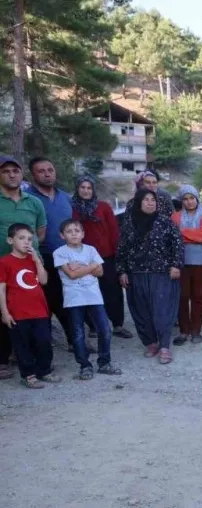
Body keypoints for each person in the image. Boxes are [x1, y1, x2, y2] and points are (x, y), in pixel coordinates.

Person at [117, 189, 183, 364]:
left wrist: (176, 265)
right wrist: (122, 271)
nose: (150, 202)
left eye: (152, 200)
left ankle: (164, 346)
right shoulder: (128, 223)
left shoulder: (165, 222)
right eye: (146, 200)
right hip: (136, 273)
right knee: (141, 311)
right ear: (139, 202)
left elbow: (177, 245)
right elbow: (122, 249)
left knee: (162, 311)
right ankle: (151, 342)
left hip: (161, 273)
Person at [53, 219, 122, 379]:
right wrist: (91, 266)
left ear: (83, 234)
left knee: (105, 329)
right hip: (74, 298)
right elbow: (72, 274)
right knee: (78, 333)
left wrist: (82, 266)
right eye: (69, 231)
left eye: (77, 230)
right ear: (62, 235)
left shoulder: (91, 250)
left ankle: (104, 362)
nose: (74, 234)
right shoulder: (60, 252)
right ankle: (84, 365)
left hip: (94, 296)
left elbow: (100, 272)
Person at [0, 156, 47, 380]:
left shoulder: (34, 202)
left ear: (21, 174)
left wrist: (29, 253)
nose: (11, 174)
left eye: (15, 171)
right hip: (3, 266)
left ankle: (38, 363)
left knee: (31, 311)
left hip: (28, 268)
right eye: (6, 171)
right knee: (3, 313)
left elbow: (41, 232)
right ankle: (3, 360)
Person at [71, 175, 132, 339]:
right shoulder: (72, 209)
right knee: (88, 293)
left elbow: (113, 231)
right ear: (77, 189)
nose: (86, 191)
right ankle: (93, 326)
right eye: (82, 187)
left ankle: (117, 324)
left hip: (107, 257)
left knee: (113, 292)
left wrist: (117, 254)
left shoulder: (103, 207)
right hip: (82, 259)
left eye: (89, 188)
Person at [25, 157, 76, 349]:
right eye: (41, 171)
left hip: (66, 256)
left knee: (68, 300)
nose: (47, 174)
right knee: (45, 302)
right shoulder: (28, 198)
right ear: (32, 175)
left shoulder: (65, 197)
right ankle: (43, 345)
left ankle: (74, 340)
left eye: (50, 170)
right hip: (41, 258)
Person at [0, 224, 59, 389]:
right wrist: (5, 313)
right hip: (18, 312)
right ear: (10, 240)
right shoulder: (4, 262)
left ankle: (44, 370)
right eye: (21, 238)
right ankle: (28, 375)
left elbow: (44, 281)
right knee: (22, 345)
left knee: (44, 341)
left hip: (39, 310)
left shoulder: (33, 260)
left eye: (29, 239)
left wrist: (37, 262)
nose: (26, 242)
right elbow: (1, 289)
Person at [172, 185, 202, 346]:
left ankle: (196, 330)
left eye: (192, 198)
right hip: (181, 262)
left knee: (198, 297)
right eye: (185, 199)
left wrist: (181, 233)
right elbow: (173, 237)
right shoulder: (175, 216)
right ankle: (184, 330)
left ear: (197, 198)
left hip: (200, 262)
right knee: (182, 297)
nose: (189, 202)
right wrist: (192, 235)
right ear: (181, 201)